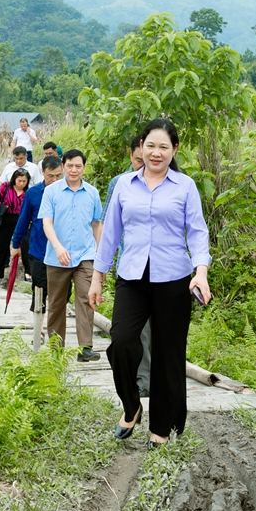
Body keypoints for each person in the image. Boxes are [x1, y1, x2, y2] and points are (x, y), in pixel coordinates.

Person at [89, 118, 211, 447]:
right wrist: (97, 278)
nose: (156, 153)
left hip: (174, 278)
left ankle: (160, 429)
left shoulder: (185, 187)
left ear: (174, 150)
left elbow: (198, 232)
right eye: (150, 146)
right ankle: (131, 406)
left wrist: (201, 272)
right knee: (123, 341)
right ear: (141, 147)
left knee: (168, 354)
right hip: (132, 277)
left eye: (164, 147)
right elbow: (110, 234)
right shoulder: (125, 186)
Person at [39, 148, 104, 361]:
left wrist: (99, 257)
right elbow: (47, 222)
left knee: (86, 298)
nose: (74, 170)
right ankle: (56, 348)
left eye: (78, 166)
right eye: (69, 166)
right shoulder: (52, 192)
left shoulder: (93, 193)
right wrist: (58, 247)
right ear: (63, 166)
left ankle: (85, 348)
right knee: (56, 303)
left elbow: (96, 225)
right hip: (58, 256)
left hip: (86, 254)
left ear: (84, 168)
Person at [105, 135, 151, 398]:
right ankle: (140, 382)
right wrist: (104, 265)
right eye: (138, 159)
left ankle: (149, 379)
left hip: (163, 272)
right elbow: (106, 226)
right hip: (129, 268)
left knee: (155, 331)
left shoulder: (175, 184)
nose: (142, 164)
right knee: (133, 332)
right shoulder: (120, 183)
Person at [12, 155, 62, 301]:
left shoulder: (67, 193)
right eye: (50, 176)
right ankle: (38, 323)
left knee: (62, 295)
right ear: (42, 172)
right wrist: (16, 244)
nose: (54, 180)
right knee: (40, 291)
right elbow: (23, 221)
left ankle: (55, 323)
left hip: (62, 253)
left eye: (58, 176)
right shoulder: (33, 194)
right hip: (39, 251)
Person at [0, 169, 30, 283]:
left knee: (25, 245)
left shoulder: (29, 192)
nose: (21, 184)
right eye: (19, 181)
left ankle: (28, 272)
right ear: (14, 179)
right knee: (1, 246)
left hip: (22, 220)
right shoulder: (5, 187)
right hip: (6, 218)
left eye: (24, 181)